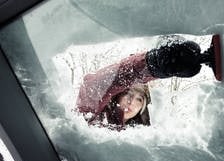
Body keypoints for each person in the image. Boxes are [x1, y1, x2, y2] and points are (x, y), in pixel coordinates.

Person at [76, 37, 214, 130]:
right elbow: (95, 87)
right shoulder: (94, 119)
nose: (131, 102)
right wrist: (149, 64)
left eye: (139, 99)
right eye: (128, 95)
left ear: (142, 108)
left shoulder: (140, 137)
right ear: (116, 96)